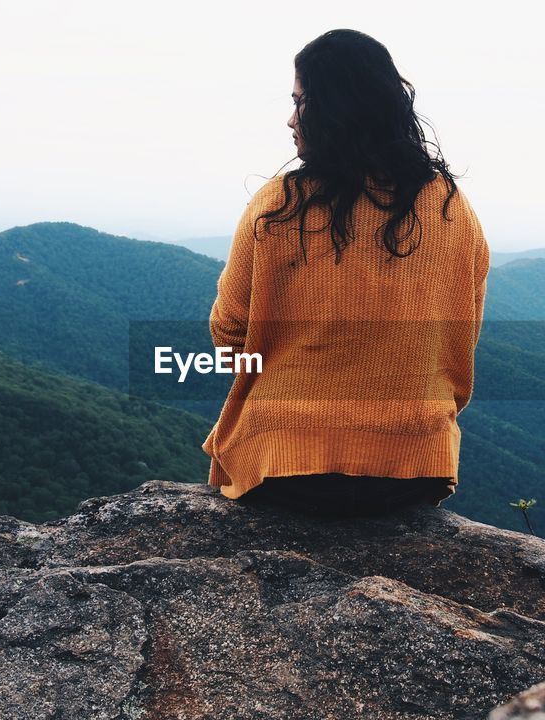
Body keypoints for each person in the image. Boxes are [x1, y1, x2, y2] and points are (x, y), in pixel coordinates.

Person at [201, 28, 488, 517]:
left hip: (286, 473)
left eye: (302, 102)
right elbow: (459, 341)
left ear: (335, 108)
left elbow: (229, 334)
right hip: (412, 473)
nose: (291, 120)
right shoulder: (452, 210)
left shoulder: (278, 205)